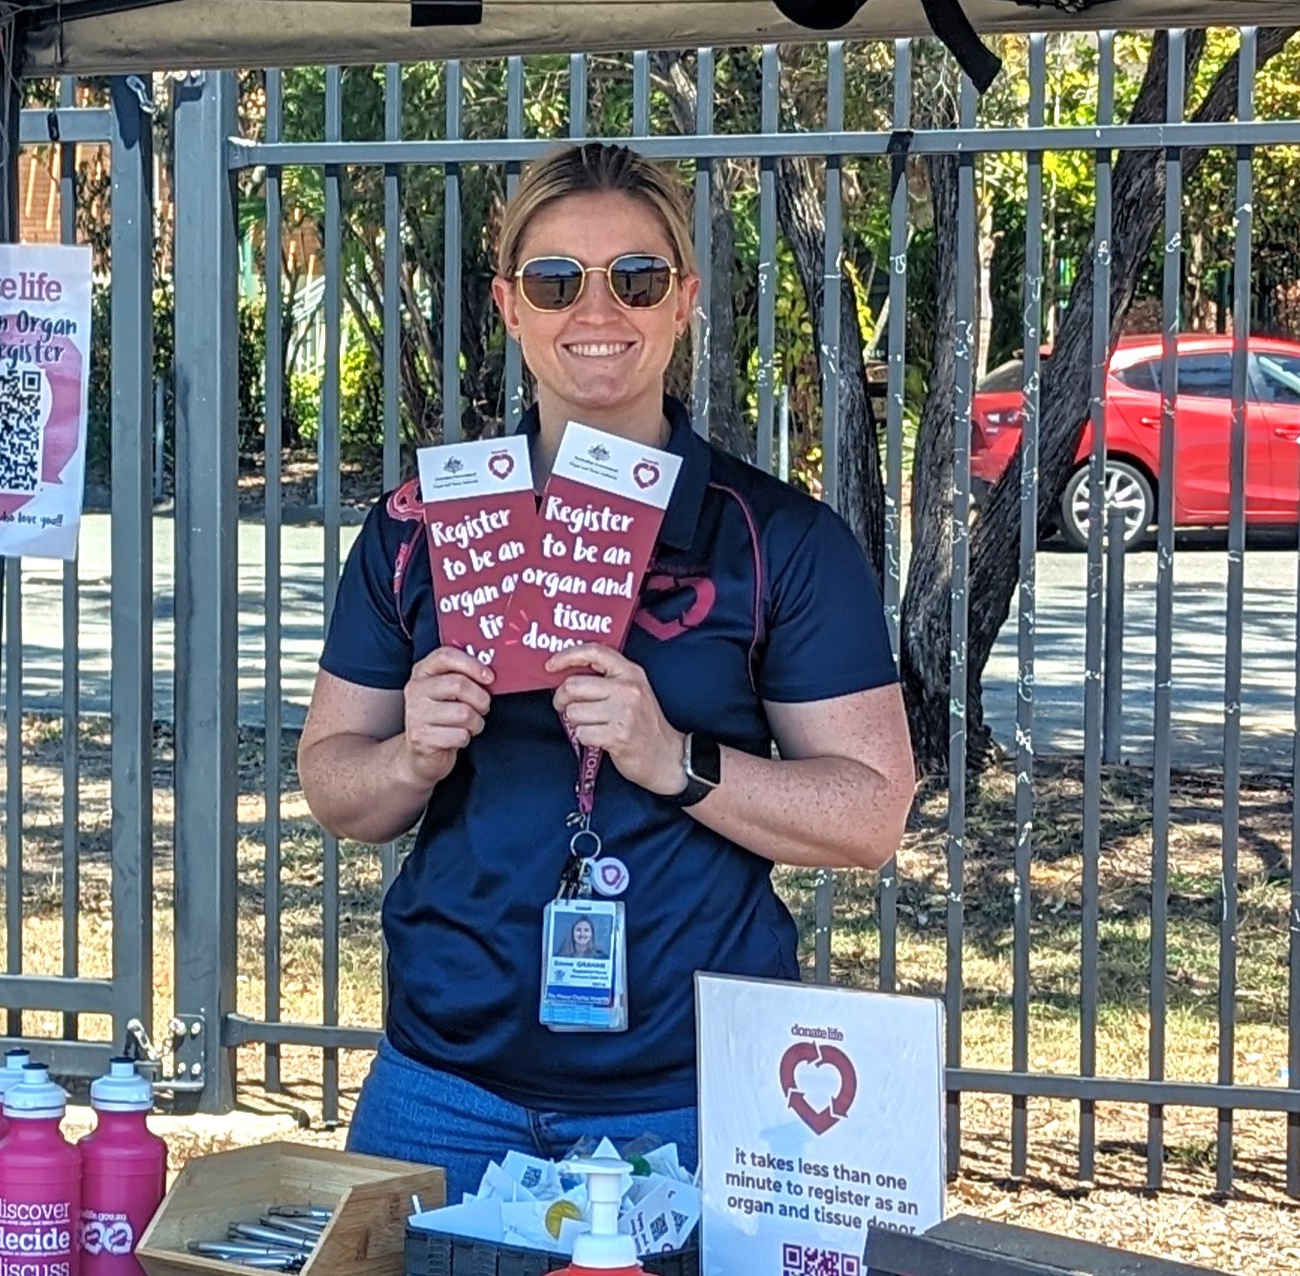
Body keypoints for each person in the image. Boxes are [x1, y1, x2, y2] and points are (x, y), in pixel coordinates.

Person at [299, 141, 915, 1198]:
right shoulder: (418, 525)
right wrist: (411, 754)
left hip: (683, 1091)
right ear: (509, 306)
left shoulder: (776, 537)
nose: (598, 310)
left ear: (682, 300)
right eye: (555, 280)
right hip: (441, 1082)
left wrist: (674, 757)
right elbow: (332, 781)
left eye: (635, 278)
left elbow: (869, 813)